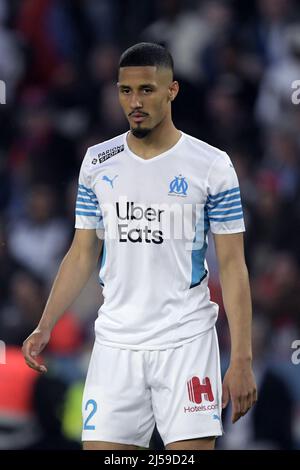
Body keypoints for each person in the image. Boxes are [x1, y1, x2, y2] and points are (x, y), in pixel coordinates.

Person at [22, 42, 257, 451]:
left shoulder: (212, 165)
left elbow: (233, 265)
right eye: (125, 91)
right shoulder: (97, 162)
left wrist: (241, 359)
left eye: (147, 89)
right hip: (115, 344)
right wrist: (46, 324)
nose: (135, 102)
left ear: (172, 91)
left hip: (186, 342)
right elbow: (81, 253)